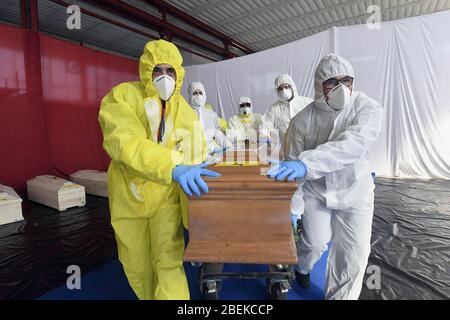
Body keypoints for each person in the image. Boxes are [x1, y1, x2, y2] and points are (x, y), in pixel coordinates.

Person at [98, 39, 219, 300]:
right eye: (157, 71)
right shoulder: (122, 97)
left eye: (170, 71)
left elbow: (195, 157)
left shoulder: (184, 112)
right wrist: (172, 165)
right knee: (137, 265)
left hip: (166, 198)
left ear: (179, 74)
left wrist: (198, 222)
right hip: (130, 198)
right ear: (145, 71)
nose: (164, 77)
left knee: (168, 262)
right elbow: (125, 142)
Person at [267, 54, 383, 300]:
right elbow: (293, 168)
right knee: (315, 242)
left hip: (355, 191)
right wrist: (293, 207)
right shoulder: (301, 121)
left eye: (347, 80)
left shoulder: (367, 107)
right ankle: (302, 267)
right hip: (316, 191)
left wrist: (305, 164)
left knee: (354, 255)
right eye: (332, 82)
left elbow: (352, 144)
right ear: (320, 85)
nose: (341, 88)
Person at [260, 74, 312, 149]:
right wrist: (267, 142)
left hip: (310, 148)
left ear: (292, 86)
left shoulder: (307, 102)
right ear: (277, 91)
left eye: (286, 87)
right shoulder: (274, 109)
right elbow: (265, 126)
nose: (283, 90)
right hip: (287, 151)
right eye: (280, 88)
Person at [187, 82, 231, 155]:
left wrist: (228, 144)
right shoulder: (185, 113)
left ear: (204, 94)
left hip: (210, 149)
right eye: (195, 93)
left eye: (200, 93)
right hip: (191, 150)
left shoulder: (211, 114)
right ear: (190, 95)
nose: (198, 95)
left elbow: (217, 133)